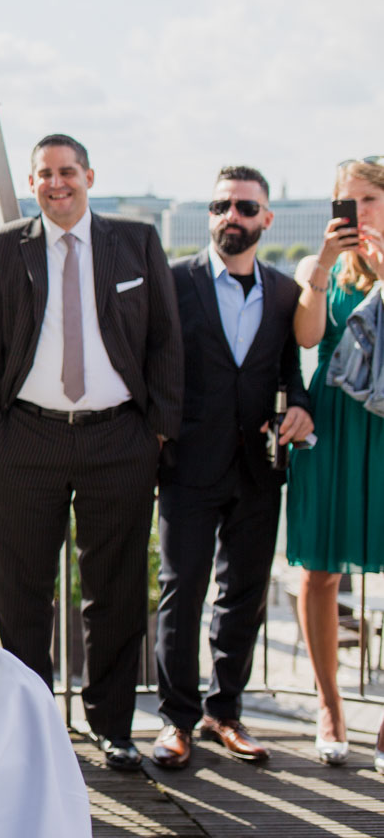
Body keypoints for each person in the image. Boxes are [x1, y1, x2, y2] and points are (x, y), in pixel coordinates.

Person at [0, 133, 182, 770]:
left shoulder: (135, 241)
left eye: (67, 172)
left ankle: (113, 725)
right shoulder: (2, 249)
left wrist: (159, 431)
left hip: (120, 437)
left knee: (115, 589)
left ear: (90, 175)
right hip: (27, 438)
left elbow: (167, 339)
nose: (56, 184)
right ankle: (33, 727)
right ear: (32, 183)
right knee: (22, 590)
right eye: (44, 175)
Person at [150, 167, 313, 769]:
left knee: (242, 595)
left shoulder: (284, 292)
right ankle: (175, 721)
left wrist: (299, 406)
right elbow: (149, 366)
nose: (231, 217)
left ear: (266, 219)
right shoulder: (173, 282)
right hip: (188, 463)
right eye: (221, 206)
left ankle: (226, 712)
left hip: (258, 467)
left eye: (245, 208)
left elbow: (291, 375)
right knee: (181, 591)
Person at [287, 157, 384, 769]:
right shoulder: (317, 267)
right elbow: (305, 338)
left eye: (369, 201)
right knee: (319, 568)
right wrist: (321, 268)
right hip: (332, 421)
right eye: (346, 204)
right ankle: (330, 706)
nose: (357, 214)